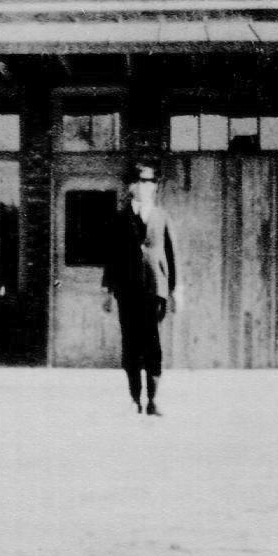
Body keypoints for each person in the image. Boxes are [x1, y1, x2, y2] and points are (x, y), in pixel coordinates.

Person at [101, 161, 181, 416]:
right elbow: (111, 257)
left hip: (155, 289)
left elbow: (172, 254)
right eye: (144, 182)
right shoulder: (120, 218)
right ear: (131, 186)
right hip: (127, 289)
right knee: (131, 346)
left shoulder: (162, 216)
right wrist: (107, 292)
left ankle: (153, 400)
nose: (149, 187)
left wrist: (176, 290)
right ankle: (135, 399)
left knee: (153, 345)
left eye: (152, 182)